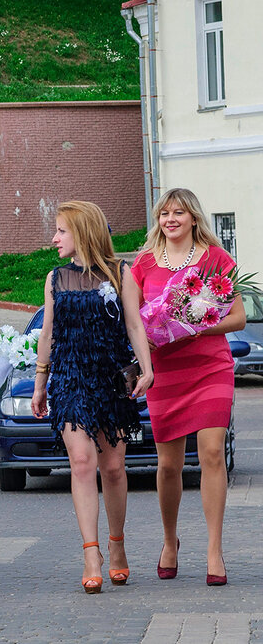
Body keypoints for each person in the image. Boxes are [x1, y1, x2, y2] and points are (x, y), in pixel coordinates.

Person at [29, 201, 154, 595]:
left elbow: (135, 322)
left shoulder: (120, 273)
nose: (54, 238)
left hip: (110, 379)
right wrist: (40, 383)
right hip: (69, 379)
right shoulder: (55, 279)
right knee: (81, 462)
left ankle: (117, 546)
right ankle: (90, 554)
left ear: (82, 232)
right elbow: (47, 333)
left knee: (113, 467)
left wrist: (147, 369)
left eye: (61, 230)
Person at [130, 188, 245, 586]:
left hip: (210, 366)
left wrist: (197, 323)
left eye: (179, 212)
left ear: (194, 218)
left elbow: (240, 317)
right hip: (165, 371)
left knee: (212, 452)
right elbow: (133, 322)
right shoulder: (143, 264)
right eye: (164, 213)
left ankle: (214, 550)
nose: (171, 219)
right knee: (168, 465)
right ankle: (169, 541)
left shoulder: (216, 259)